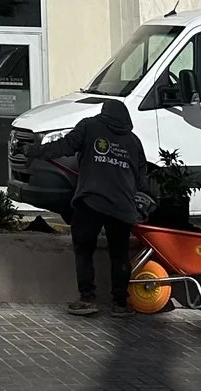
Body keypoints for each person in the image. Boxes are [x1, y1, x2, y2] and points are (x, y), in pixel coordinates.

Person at [42, 98, 151, 315]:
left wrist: (34, 151)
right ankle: (120, 303)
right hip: (122, 206)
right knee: (119, 254)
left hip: (91, 201)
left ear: (104, 113)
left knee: (84, 249)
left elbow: (65, 146)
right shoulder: (133, 141)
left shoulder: (89, 126)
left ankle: (87, 299)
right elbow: (141, 178)